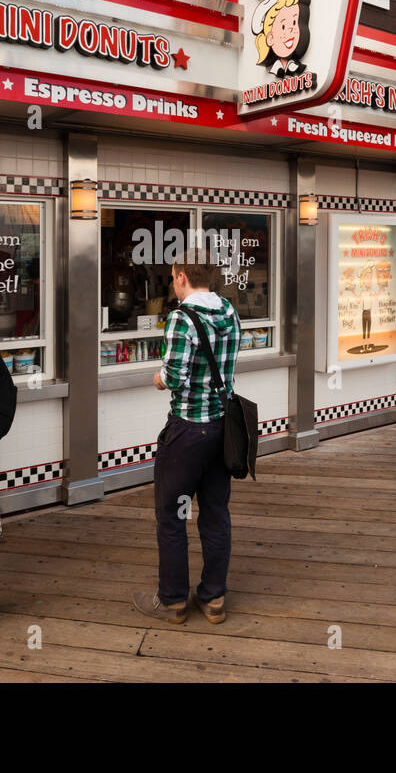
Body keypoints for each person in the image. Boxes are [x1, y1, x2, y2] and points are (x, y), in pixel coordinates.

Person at [134, 250, 241, 625]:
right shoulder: (229, 312)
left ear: (181, 277)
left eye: (173, 277)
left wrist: (158, 377)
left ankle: (174, 601)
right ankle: (214, 599)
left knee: (172, 514)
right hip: (222, 429)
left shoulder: (182, 318)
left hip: (188, 432)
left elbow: (175, 377)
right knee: (215, 513)